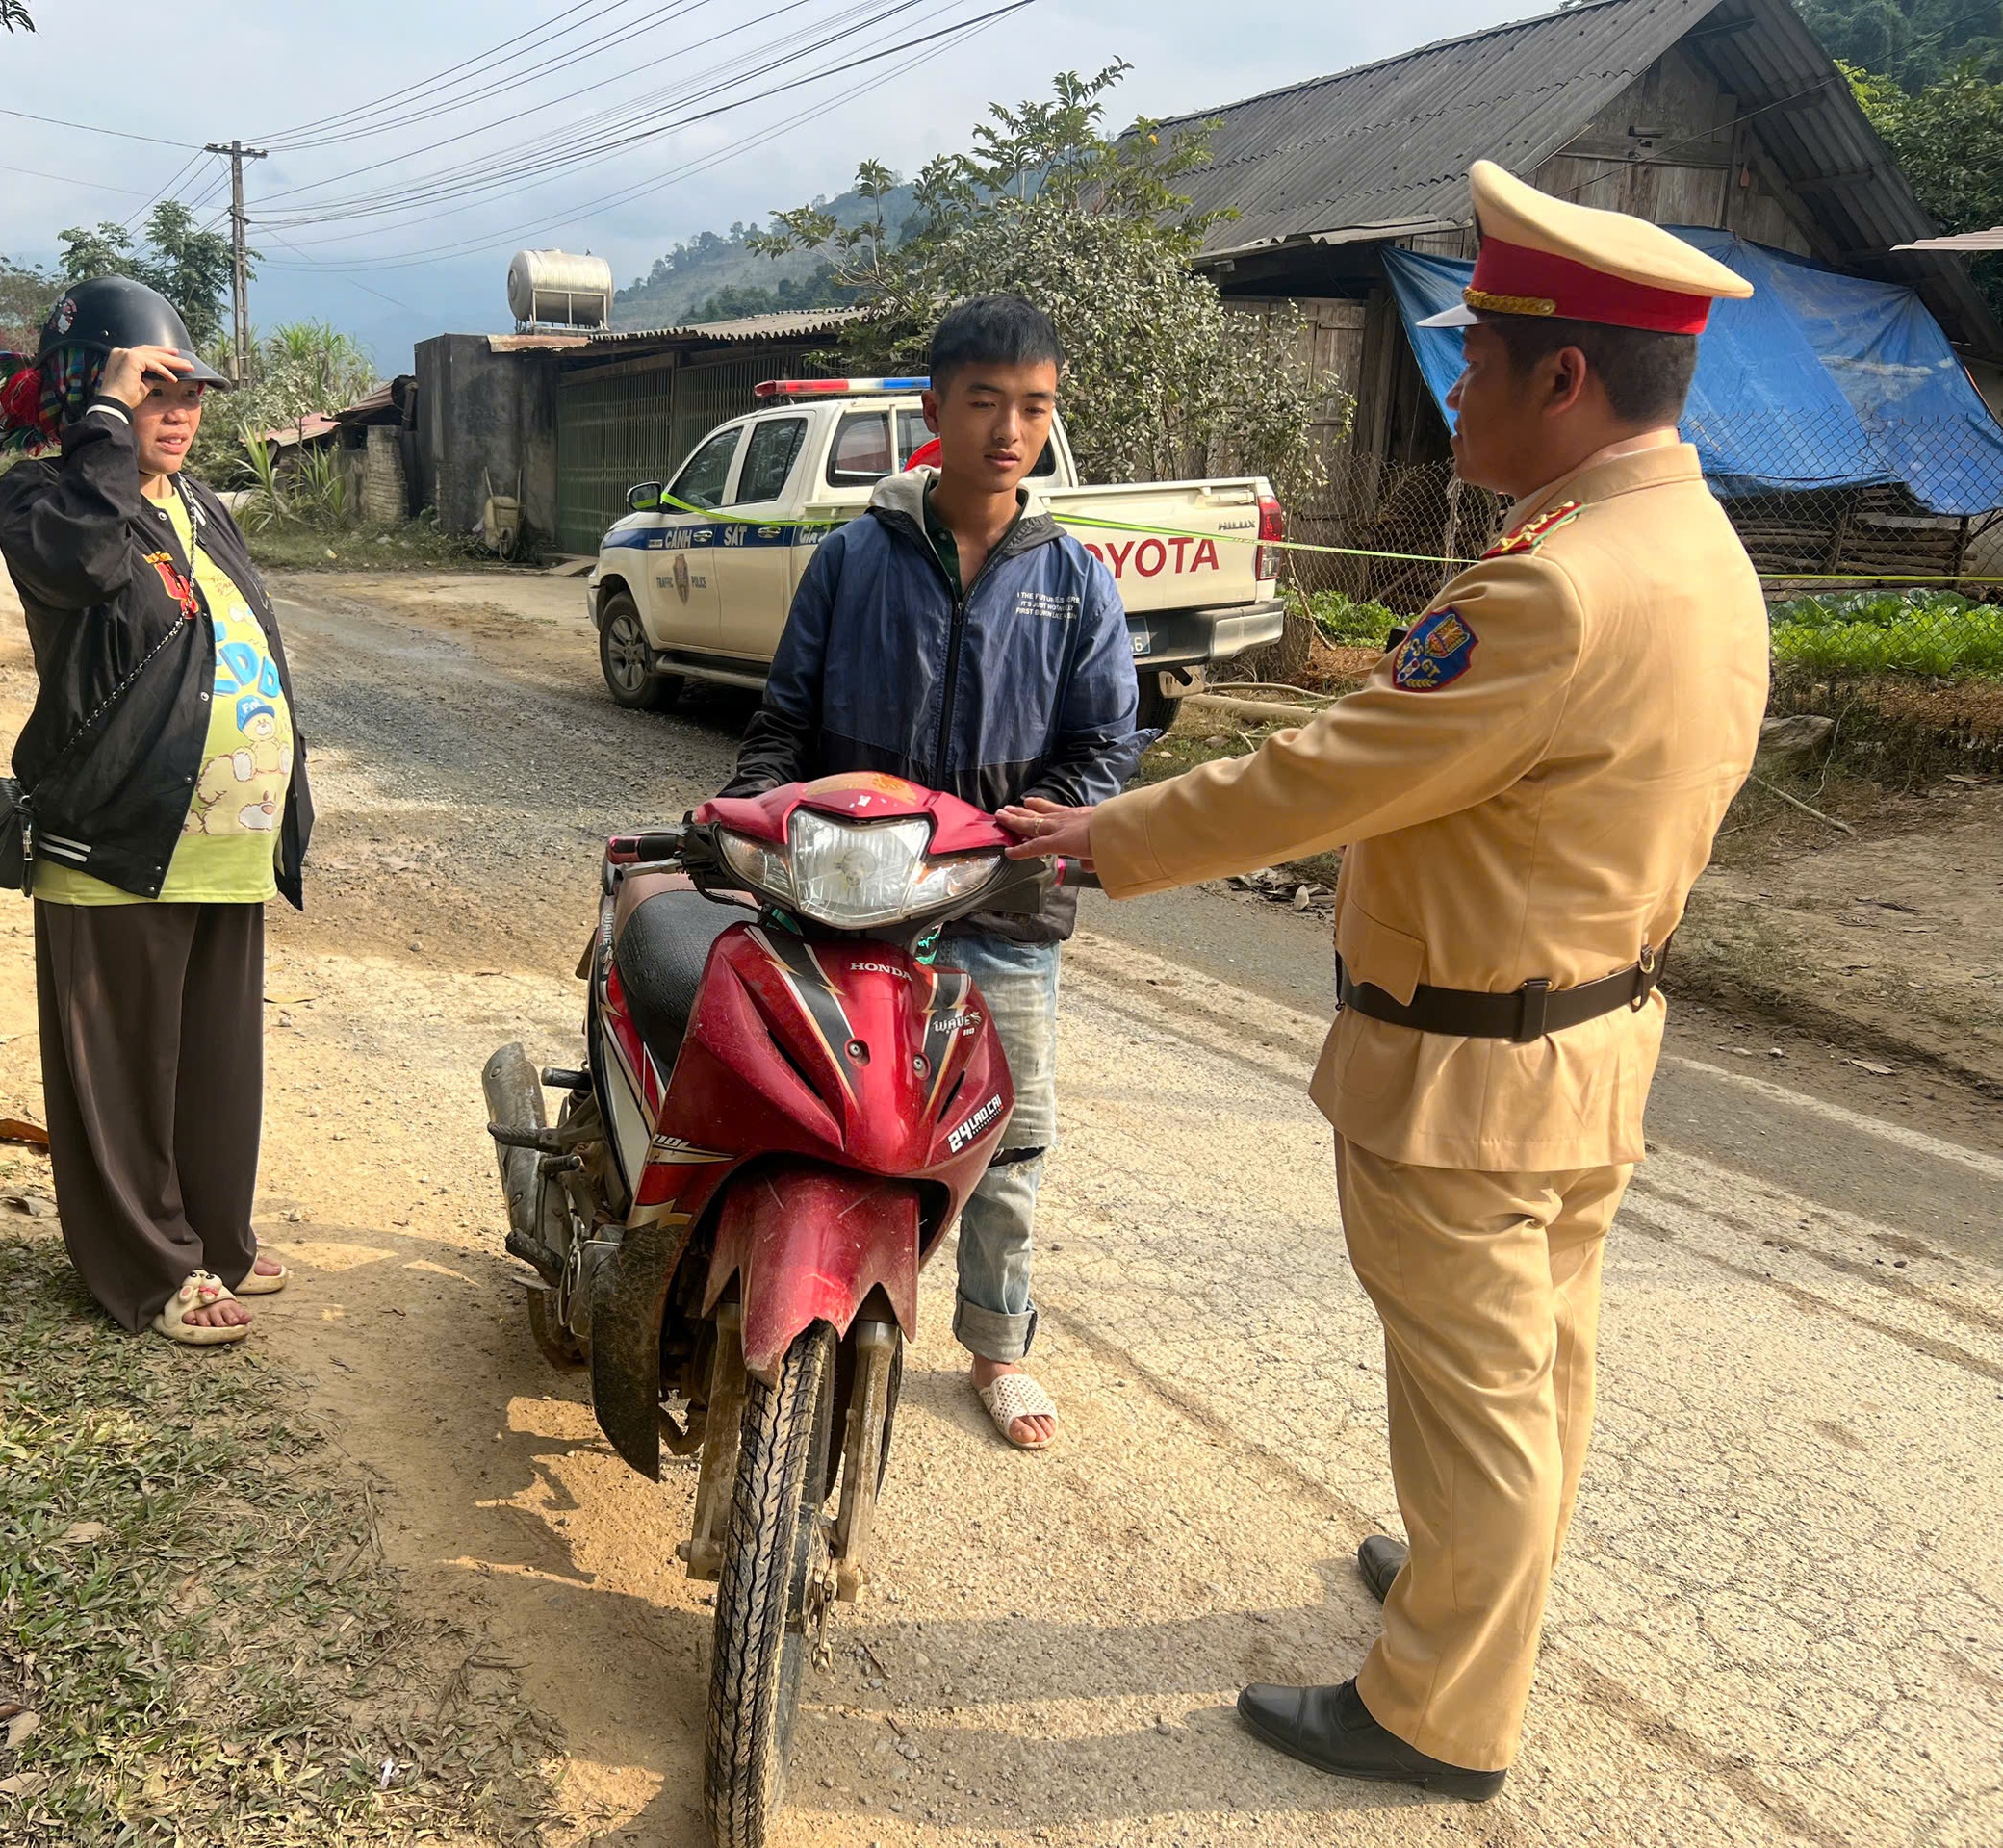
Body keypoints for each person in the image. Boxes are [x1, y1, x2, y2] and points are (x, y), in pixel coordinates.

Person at [1002, 161, 1769, 1796]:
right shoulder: (1693, 544)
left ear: (1565, 377)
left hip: (1472, 1071)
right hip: (1591, 1036)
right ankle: (1465, 1588)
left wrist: (1096, 838)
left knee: (1477, 1398)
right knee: (1539, 1362)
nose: (1453, 382)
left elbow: (1321, 777)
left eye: (1477, 356)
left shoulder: (1554, 588)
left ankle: (1437, 1711)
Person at [720, 294, 1147, 1450]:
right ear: (933, 408)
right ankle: (785, 1290)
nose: (1010, 429)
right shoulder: (852, 560)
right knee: (815, 1112)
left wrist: (1051, 821)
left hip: (1003, 910)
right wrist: (760, 829)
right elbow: (783, 725)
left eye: (1035, 407)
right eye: (985, 402)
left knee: (1008, 1137)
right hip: (848, 906)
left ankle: (996, 1347)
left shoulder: (1074, 579)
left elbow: (1109, 744)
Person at [0, 275, 313, 1347]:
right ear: (91, 399)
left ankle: (213, 1233)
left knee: (215, 1064)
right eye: (147, 390)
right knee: (124, 1069)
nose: (174, 412)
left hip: (223, 842)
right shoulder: (45, 497)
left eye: (187, 392)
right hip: (118, 835)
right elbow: (81, 567)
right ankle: (148, 1263)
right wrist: (102, 432)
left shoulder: (200, 506)